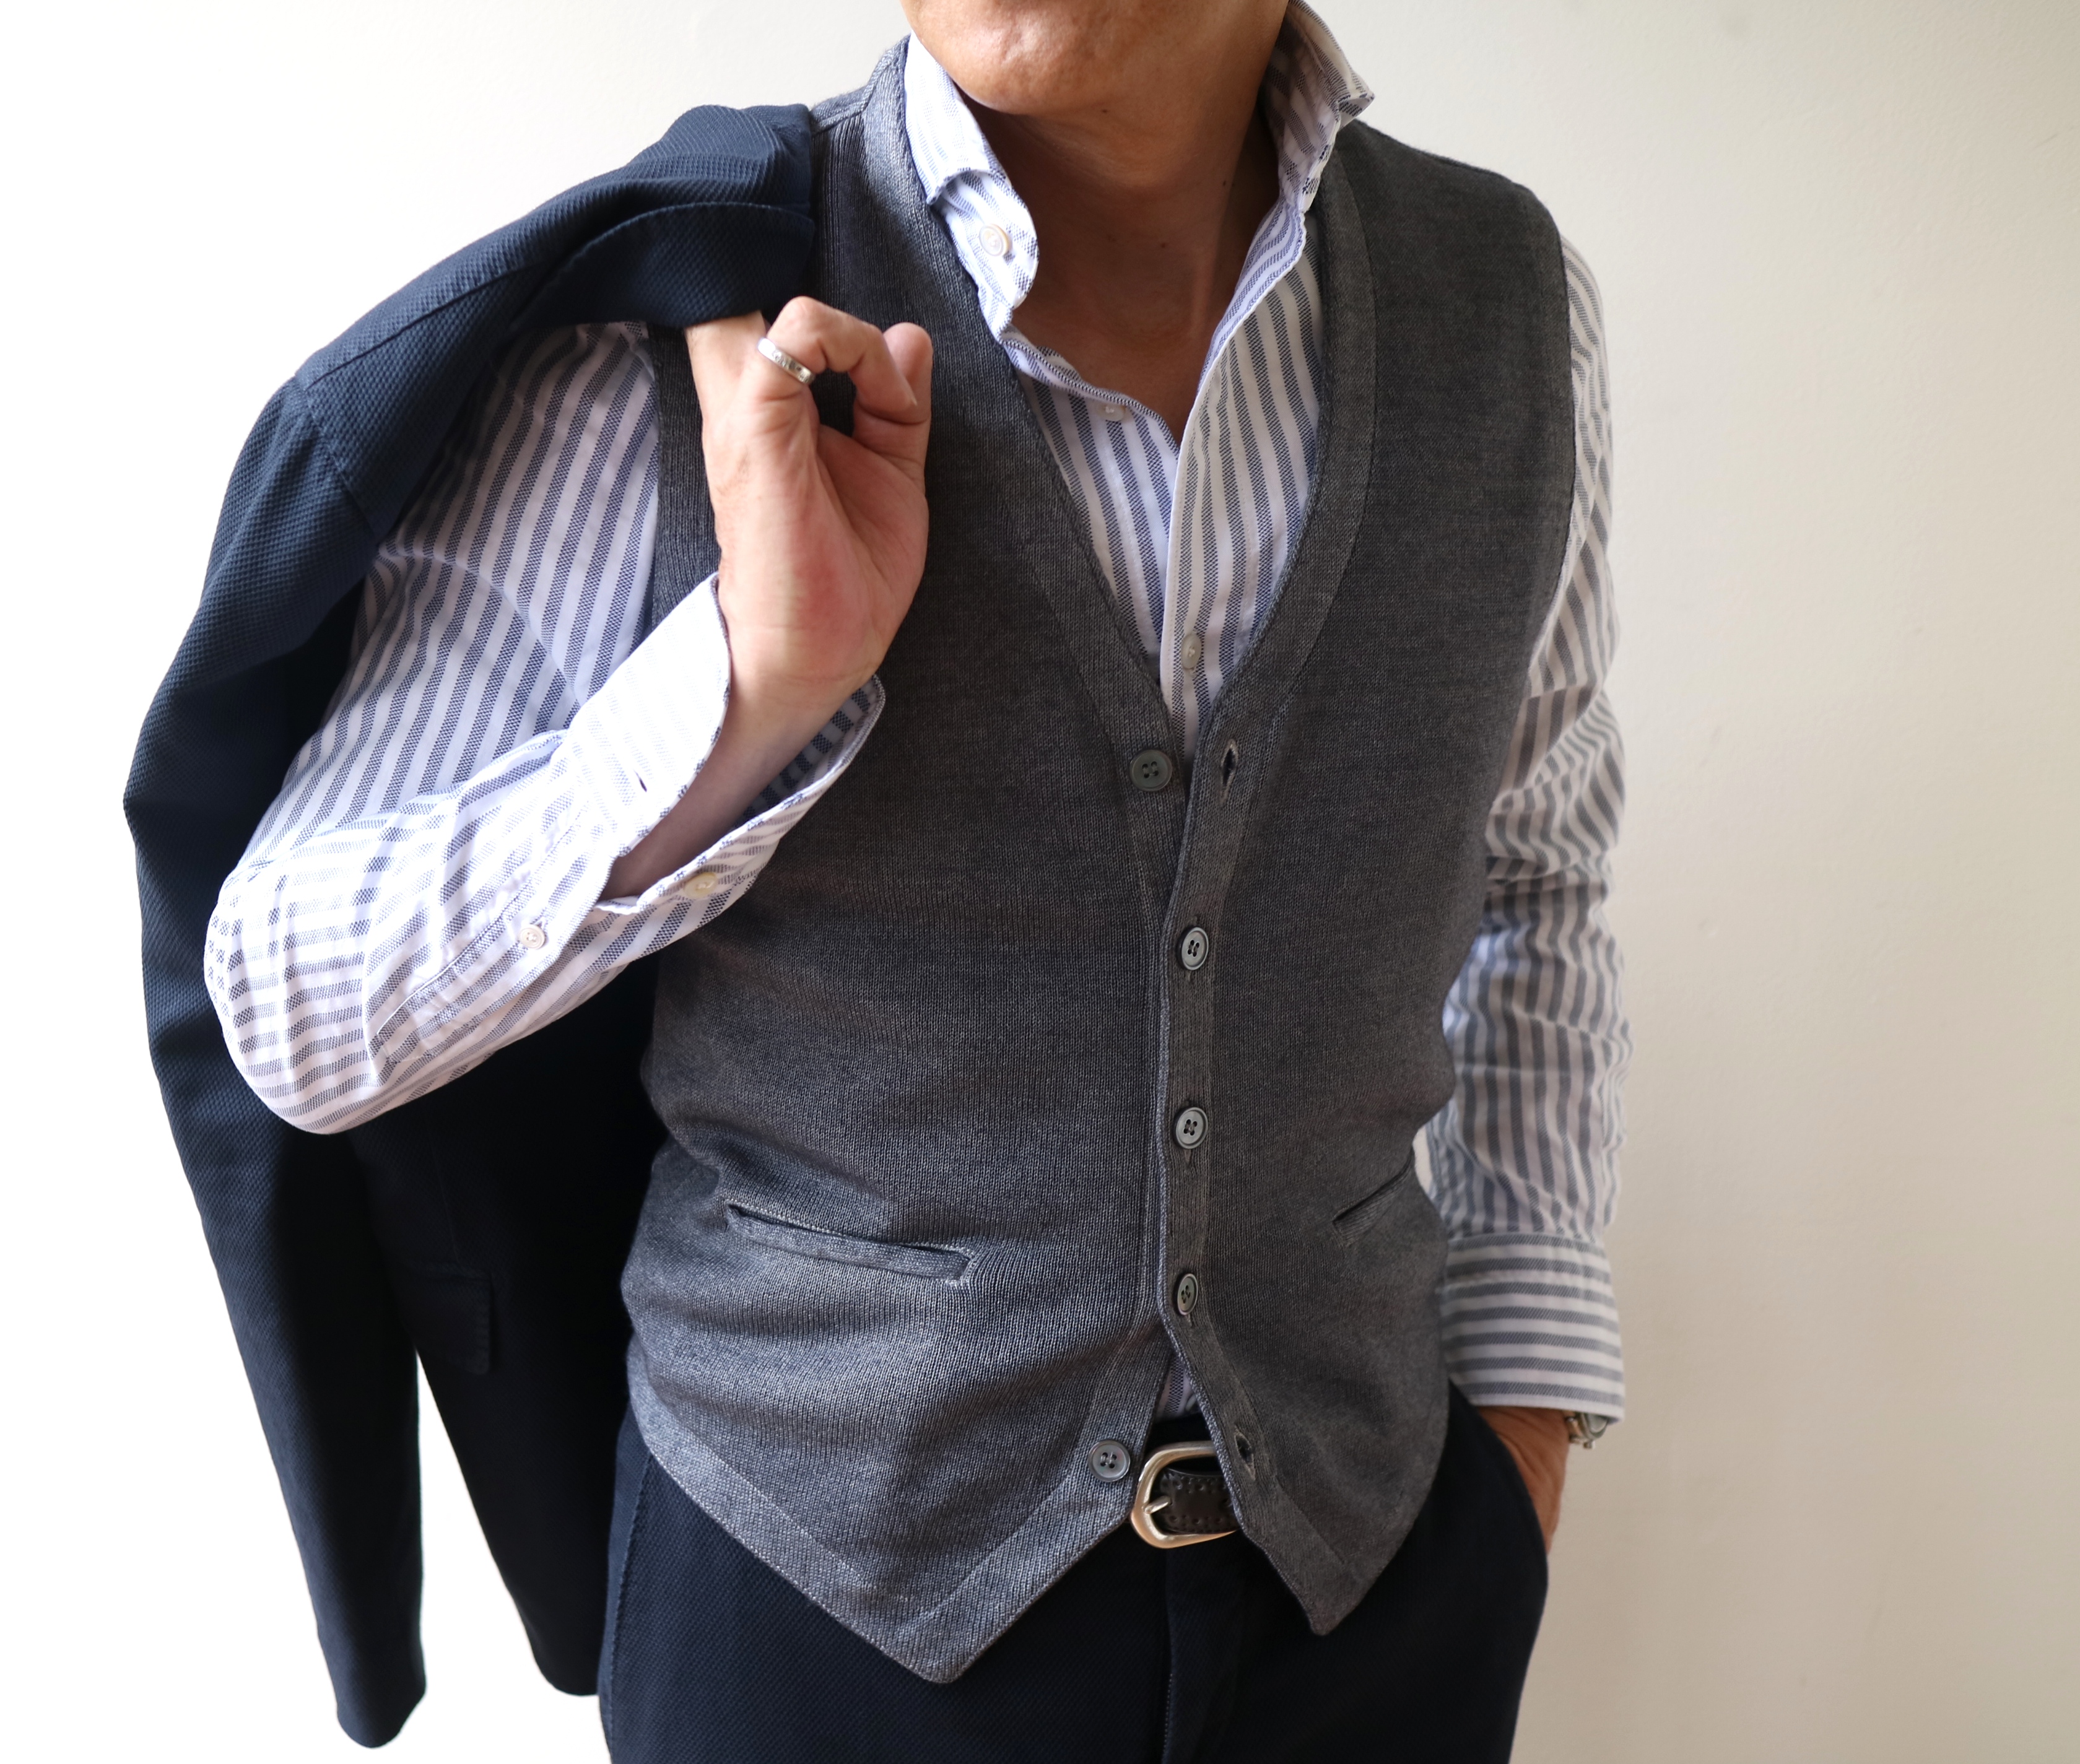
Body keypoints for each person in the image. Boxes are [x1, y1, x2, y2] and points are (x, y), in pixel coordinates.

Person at [199, 1, 1627, 1755]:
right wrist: (749, 681)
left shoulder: (1507, 299)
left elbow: (1531, 869)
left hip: (1377, 1596)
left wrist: (1526, 1418)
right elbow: (292, 1004)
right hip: (816, 1616)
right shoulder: (683, 308)